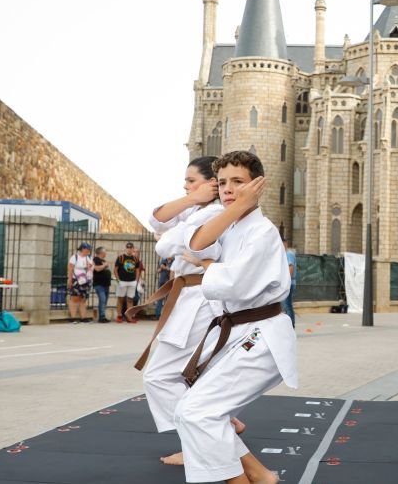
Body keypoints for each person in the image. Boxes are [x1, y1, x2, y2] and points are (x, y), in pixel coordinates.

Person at [176, 150, 296, 484]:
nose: (229, 189)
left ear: (258, 185)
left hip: (260, 338)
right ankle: (261, 477)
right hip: (240, 335)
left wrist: (209, 267)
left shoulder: (262, 233)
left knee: (197, 412)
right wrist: (237, 209)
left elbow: (234, 283)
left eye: (238, 182)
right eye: (223, 182)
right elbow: (197, 243)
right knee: (194, 413)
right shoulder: (230, 228)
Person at [133, 155, 235, 467]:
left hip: (198, 298)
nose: (185, 186)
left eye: (191, 181)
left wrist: (171, 237)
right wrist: (191, 197)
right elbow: (158, 220)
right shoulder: (197, 209)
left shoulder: (216, 212)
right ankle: (220, 425)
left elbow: (164, 245)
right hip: (188, 296)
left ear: (211, 184)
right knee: (189, 373)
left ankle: (200, 441)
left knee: (159, 375)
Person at [114, 242, 144, 323]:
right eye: (128, 248)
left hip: (132, 281)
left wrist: (136, 280)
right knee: (120, 299)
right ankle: (119, 315)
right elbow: (115, 269)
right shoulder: (121, 258)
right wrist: (118, 280)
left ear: (133, 249)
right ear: (126, 248)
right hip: (122, 281)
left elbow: (138, 270)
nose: (129, 249)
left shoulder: (135, 259)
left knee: (130, 299)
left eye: (131, 248)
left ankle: (129, 316)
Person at [67, 242, 94, 323]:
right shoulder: (74, 257)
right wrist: (70, 279)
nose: (88, 251)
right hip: (76, 279)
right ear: (82, 249)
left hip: (86, 280)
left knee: (83, 298)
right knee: (74, 298)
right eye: (87, 249)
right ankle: (73, 317)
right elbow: (70, 269)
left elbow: (91, 267)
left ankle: (83, 317)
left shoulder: (88, 258)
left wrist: (89, 267)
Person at [92, 246, 112, 323]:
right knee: (102, 300)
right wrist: (104, 265)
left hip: (106, 284)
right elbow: (96, 269)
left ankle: (102, 316)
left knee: (104, 301)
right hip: (99, 284)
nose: (106, 253)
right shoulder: (96, 259)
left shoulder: (103, 260)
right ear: (101, 252)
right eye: (105, 251)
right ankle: (101, 317)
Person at [283, 239, 296, 328]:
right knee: (287, 305)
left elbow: (290, 269)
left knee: (287, 305)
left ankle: (291, 324)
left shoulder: (289, 254)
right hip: (288, 283)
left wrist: (286, 281)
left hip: (289, 283)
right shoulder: (285, 254)